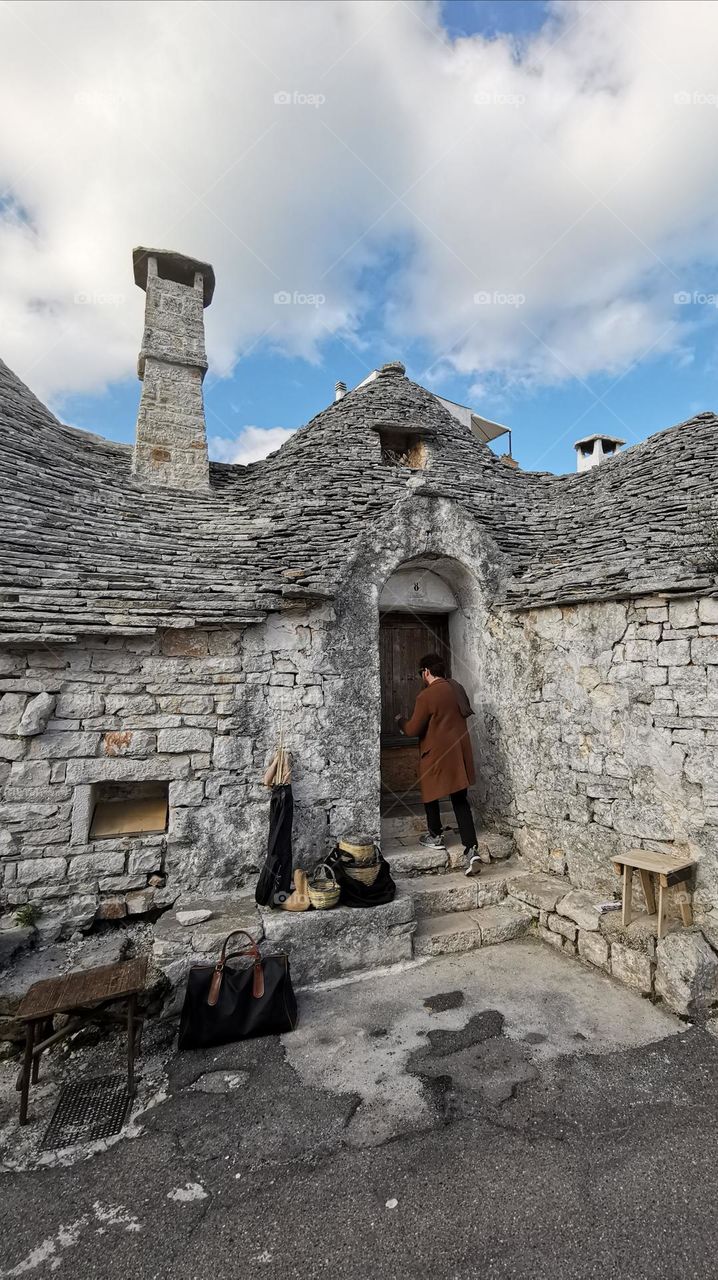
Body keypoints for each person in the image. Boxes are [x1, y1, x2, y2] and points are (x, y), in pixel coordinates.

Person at [396, 653, 481, 876]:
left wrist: (400, 721)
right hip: (459, 754)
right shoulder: (457, 688)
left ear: (426, 672)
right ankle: (471, 849)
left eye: (421, 673)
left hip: (436, 755)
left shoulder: (427, 696)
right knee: (460, 799)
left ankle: (435, 835)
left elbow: (413, 729)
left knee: (430, 791)